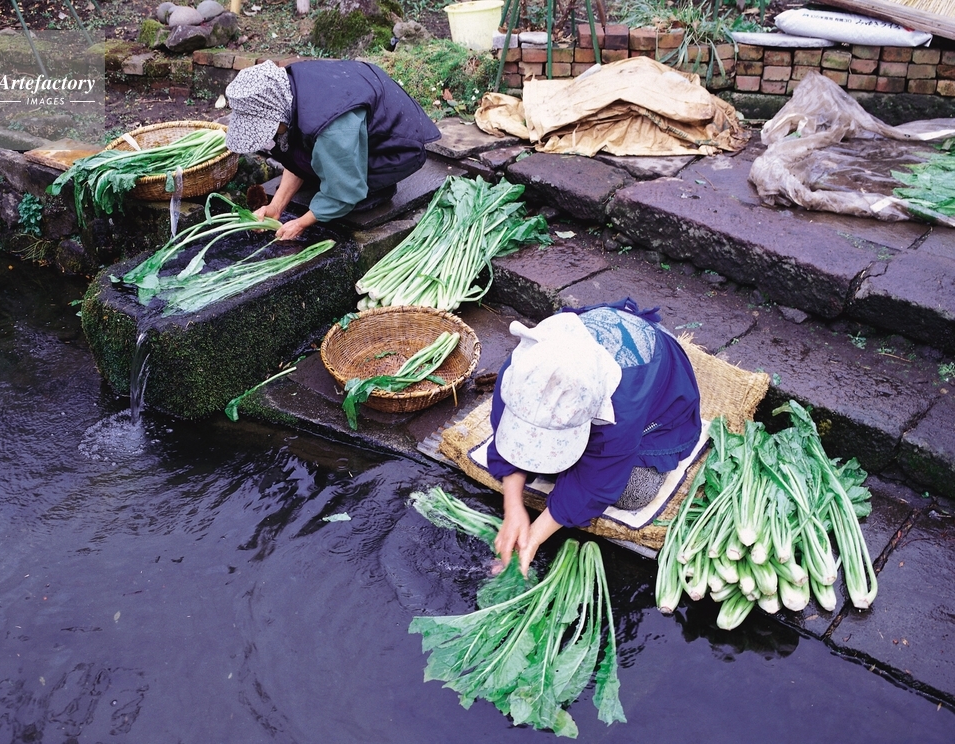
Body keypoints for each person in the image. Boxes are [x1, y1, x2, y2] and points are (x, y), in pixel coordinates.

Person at [486, 299, 702, 575]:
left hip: (653, 398)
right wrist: (513, 506)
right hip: (603, 372)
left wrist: (532, 539)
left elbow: (597, 481)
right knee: (535, 462)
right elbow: (505, 431)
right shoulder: (525, 366)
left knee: (632, 492)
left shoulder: (621, 407)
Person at [223, 59, 441, 241]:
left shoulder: (332, 130)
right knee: (318, 159)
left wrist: (301, 223)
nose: (269, 136)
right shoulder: (288, 90)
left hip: (397, 146)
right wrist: (276, 206)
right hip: (360, 111)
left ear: (276, 113)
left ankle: (377, 189)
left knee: (348, 195)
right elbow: (297, 150)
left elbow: (344, 190)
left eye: (268, 128)